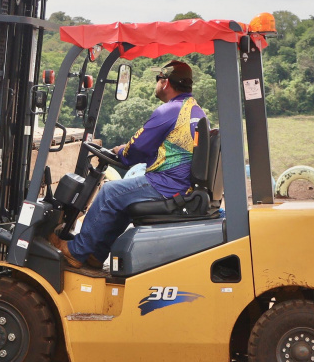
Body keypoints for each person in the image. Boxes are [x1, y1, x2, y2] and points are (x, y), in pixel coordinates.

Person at [51, 60, 207, 269]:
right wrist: (128, 151)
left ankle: (76, 251)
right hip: (180, 184)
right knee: (123, 198)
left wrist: (121, 152)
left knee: (110, 192)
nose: (157, 83)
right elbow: (162, 146)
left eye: (158, 79)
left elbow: (136, 150)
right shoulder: (194, 110)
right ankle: (96, 254)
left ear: (166, 83)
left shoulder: (169, 111)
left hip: (167, 185)